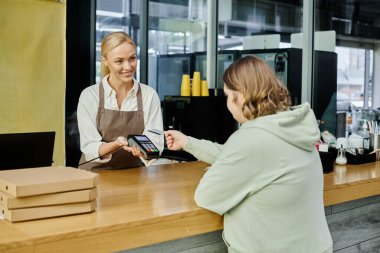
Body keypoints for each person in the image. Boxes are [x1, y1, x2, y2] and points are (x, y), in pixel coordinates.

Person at [165, 56, 332, 253]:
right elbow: (241, 157)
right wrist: (187, 143)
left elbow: (206, 196)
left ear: (242, 96)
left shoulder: (251, 139)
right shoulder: (293, 127)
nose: (227, 103)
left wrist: (220, 171)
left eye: (228, 95)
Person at [77, 31, 164, 170]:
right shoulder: (89, 96)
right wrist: (116, 144)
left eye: (132, 58)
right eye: (119, 61)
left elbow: (155, 144)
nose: (128, 67)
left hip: (134, 175)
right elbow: (89, 146)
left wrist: (143, 151)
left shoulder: (149, 95)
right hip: (94, 174)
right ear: (104, 60)